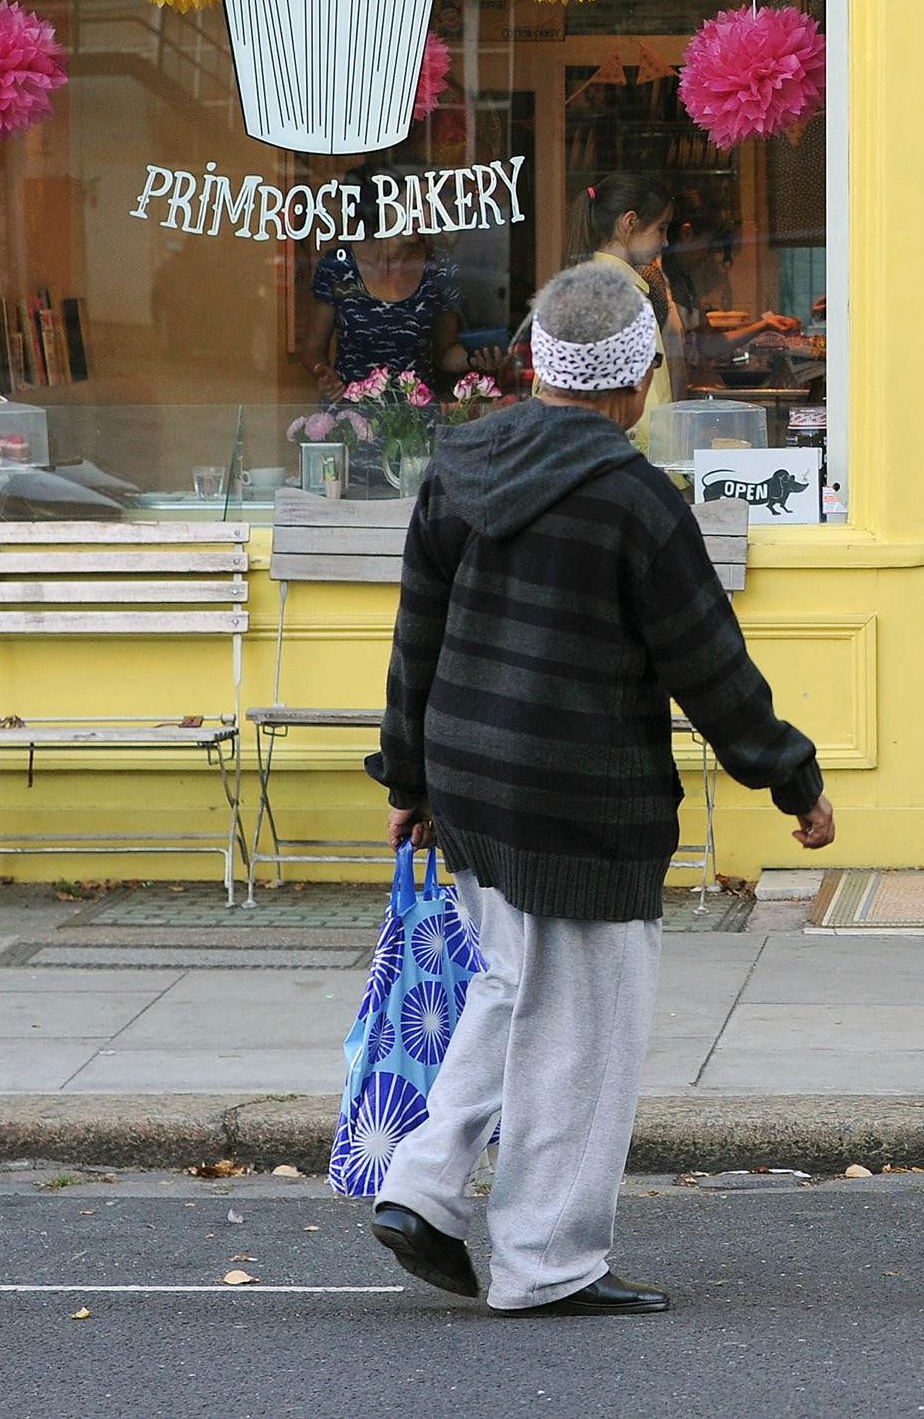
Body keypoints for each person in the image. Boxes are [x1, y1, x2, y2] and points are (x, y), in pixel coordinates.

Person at [365, 262, 834, 1317]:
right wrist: (791, 778)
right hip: (584, 803)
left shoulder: (457, 467)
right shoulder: (635, 502)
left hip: (475, 786)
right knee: (583, 1034)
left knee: (506, 985)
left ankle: (424, 1187)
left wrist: (407, 774)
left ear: (534, 365)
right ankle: (546, 1263)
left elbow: (416, 639)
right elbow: (707, 667)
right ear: (636, 384)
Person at [299, 177, 462, 399]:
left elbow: (444, 352)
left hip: (414, 419)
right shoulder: (339, 265)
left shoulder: (441, 268)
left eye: (430, 206)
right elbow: (313, 348)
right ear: (384, 206)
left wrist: (476, 359)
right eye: (415, 204)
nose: (424, 215)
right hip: (351, 418)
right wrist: (323, 373)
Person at [573, 172, 681, 449]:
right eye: (662, 228)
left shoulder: (576, 287)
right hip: (630, 461)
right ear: (630, 222)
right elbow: (651, 404)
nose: (665, 242)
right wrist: (674, 476)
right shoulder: (628, 299)